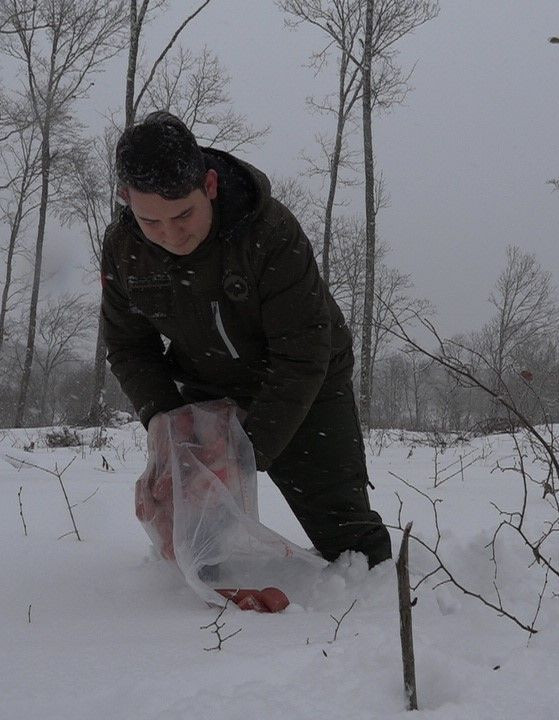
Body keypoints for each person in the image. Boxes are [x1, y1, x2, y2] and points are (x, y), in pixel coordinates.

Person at [101, 111, 393, 567]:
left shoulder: (269, 232)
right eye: (151, 222)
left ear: (210, 186)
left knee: (351, 547)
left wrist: (243, 452)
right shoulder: (125, 249)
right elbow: (128, 346)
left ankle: (361, 617)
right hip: (207, 386)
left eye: (183, 215)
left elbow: (304, 352)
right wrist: (163, 421)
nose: (171, 236)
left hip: (305, 384)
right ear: (126, 199)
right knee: (193, 548)